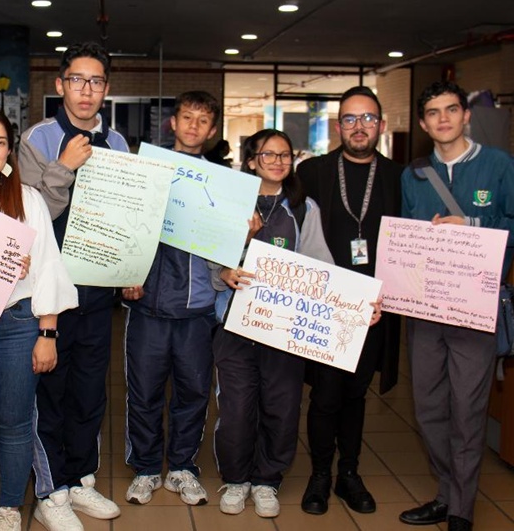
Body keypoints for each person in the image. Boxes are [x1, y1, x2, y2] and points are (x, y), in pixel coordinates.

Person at [0, 107, 78, 531]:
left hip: (15, 325)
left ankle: (8, 508)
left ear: (9, 151)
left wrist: (48, 333)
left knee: (15, 423)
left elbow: (48, 270)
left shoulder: (28, 201)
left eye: (0, 141)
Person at [18, 41, 128, 531]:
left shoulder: (119, 144)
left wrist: (131, 268)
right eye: (77, 80)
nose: (87, 91)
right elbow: (31, 218)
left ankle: (80, 478)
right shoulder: (36, 140)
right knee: (51, 392)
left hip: (99, 292)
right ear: (60, 85)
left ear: (106, 89)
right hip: (50, 296)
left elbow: (128, 220)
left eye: (97, 81)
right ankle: (51, 489)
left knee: (90, 390)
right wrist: (65, 165)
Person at [398, 81, 514, 531]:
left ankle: (461, 511)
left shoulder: (499, 165)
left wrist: (474, 224)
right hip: (425, 310)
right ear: (424, 123)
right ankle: (446, 493)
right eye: (433, 112)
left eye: (451, 110)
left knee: (467, 411)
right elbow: (405, 236)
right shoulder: (415, 174)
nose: (443, 118)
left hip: (475, 309)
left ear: (466, 116)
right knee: (429, 410)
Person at [212, 129, 336, 519]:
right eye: (269, 155)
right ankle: (235, 479)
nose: (279, 162)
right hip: (234, 324)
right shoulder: (232, 204)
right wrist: (227, 268)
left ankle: (267, 479)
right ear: (251, 161)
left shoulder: (304, 208)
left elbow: (321, 267)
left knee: (282, 407)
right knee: (236, 407)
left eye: (285, 155)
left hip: (284, 329)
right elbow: (213, 260)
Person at [296, 86, 403, 516]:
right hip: (326, 305)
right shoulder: (313, 172)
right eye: (350, 119)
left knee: (356, 395)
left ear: (380, 124)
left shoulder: (399, 177)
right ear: (338, 125)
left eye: (368, 119)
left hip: (375, 309)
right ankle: (320, 474)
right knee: (325, 396)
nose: (359, 127)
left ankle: (350, 474)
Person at [120, 91, 220, 506]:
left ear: (211, 131)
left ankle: (181, 467)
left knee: (193, 392)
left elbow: (226, 249)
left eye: (202, 120)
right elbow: (125, 223)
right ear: (172, 124)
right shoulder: (148, 170)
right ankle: (145, 468)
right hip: (148, 304)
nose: (193, 126)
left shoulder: (223, 185)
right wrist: (126, 273)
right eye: (187, 117)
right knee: (143, 392)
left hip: (197, 308)